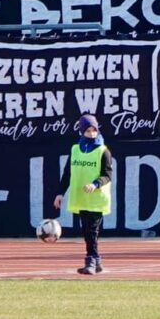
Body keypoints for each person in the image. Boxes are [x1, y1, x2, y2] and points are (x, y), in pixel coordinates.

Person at [52, 114, 113, 275]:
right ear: (82, 131)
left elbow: (107, 175)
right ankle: (96, 261)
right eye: (88, 131)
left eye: (94, 130)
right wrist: (60, 193)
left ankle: (91, 260)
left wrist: (95, 184)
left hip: (96, 198)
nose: (92, 134)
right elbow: (67, 173)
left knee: (92, 230)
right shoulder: (75, 150)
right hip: (81, 197)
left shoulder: (103, 151)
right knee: (87, 230)